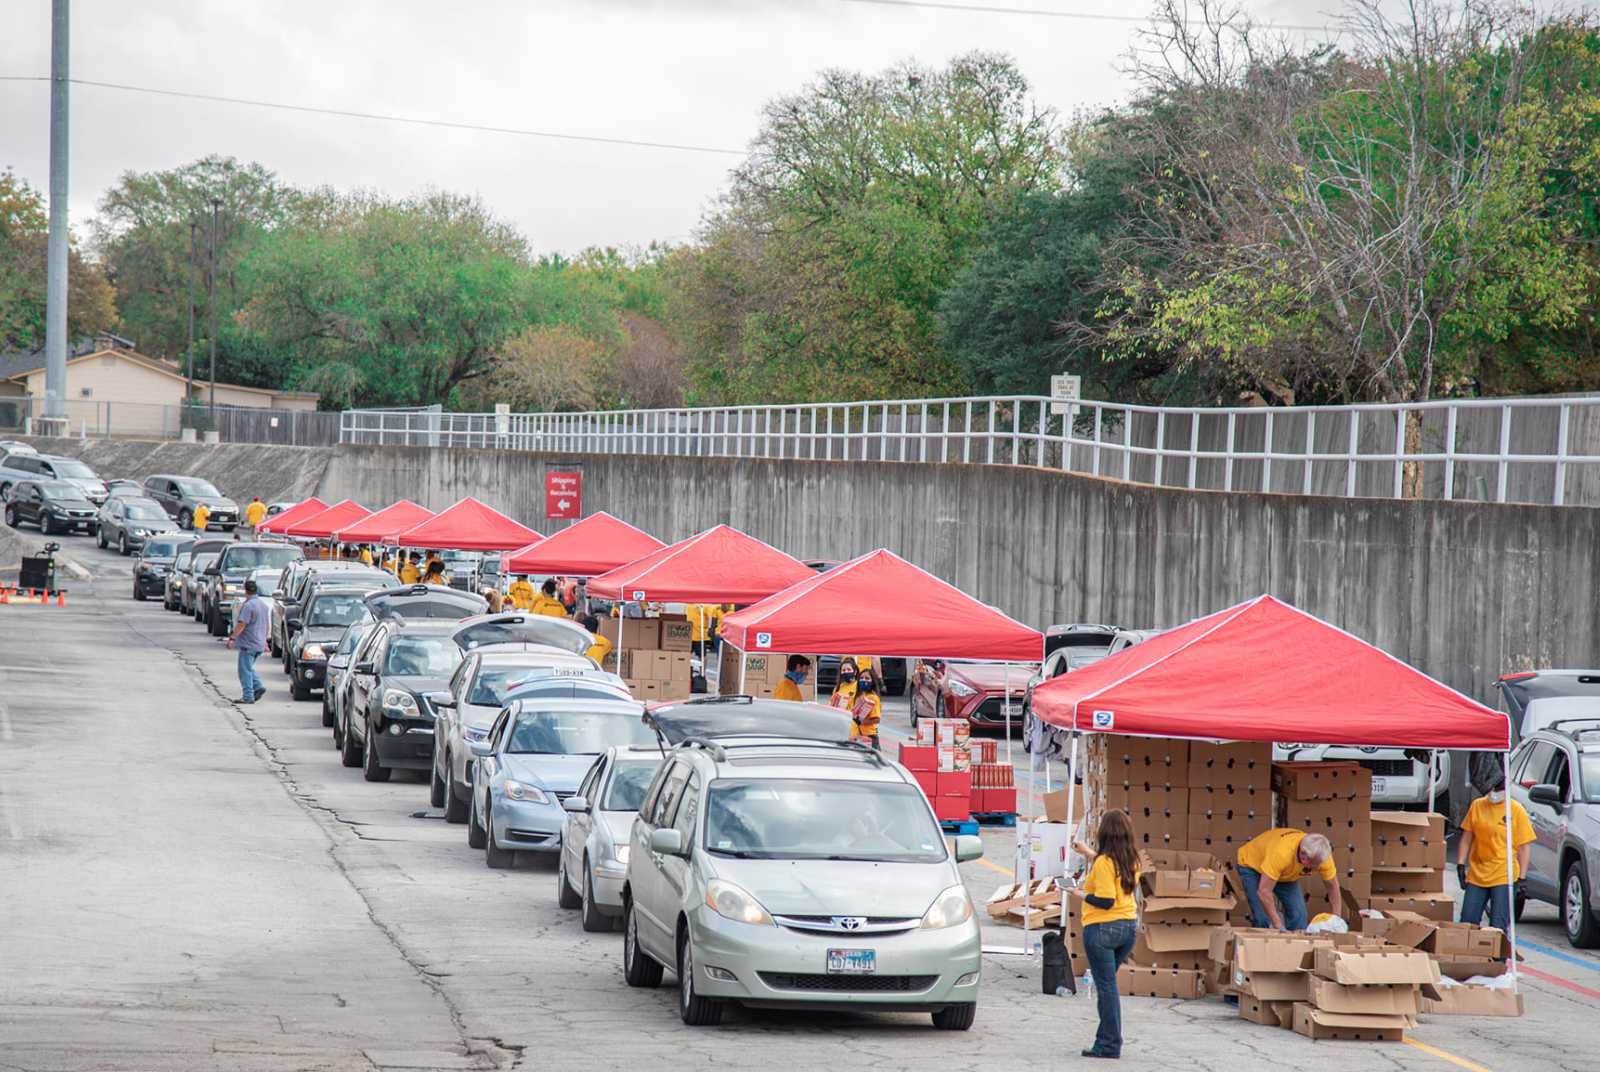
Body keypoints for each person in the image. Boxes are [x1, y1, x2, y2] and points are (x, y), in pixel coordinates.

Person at [1076, 810, 1141, 1060]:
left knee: (1106, 989)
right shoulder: (1131, 860)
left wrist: (1079, 894)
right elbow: (1111, 870)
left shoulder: (1104, 863)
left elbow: (1104, 900)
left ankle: (1110, 1043)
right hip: (1127, 927)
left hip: (1102, 928)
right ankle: (1105, 1039)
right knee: (1108, 985)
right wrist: (1088, 854)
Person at [1458, 752, 1535, 936]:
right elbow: (1466, 838)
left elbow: (1524, 847)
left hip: (1504, 874)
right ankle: (1470, 959)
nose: (1494, 793)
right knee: (1467, 921)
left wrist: (1522, 878)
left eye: (1498, 788)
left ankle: (1497, 962)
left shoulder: (1515, 810)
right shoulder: (1477, 806)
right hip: (1478, 873)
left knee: (1498, 925)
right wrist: (1461, 864)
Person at [1236, 829, 1340, 931]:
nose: (1319, 867)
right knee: (1263, 919)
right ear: (1304, 859)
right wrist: (1279, 926)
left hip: (1283, 872)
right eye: (1315, 865)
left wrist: (1336, 920)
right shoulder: (1282, 854)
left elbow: (1333, 887)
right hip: (1252, 865)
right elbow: (1264, 892)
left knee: (1299, 916)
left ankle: (1298, 947)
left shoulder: (1322, 857)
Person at [226, 578, 270, 704]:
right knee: (248, 668)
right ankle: (258, 686)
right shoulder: (264, 605)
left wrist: (232, 638)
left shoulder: (248, 605)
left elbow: (242, 624)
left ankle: (248, 696)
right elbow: (267, 625)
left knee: (244, 670)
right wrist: (265, 641)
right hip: (259, 643)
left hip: (248, 643)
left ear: (245, 591)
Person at [850, 668, 882, 748]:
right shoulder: (859, 697)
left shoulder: (873, 698)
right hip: (856, 735)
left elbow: (877, 719)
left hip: (869, 736)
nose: (864, 680)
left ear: (872, 682)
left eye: (867, 678)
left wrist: (861, 721)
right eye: (861, 678)